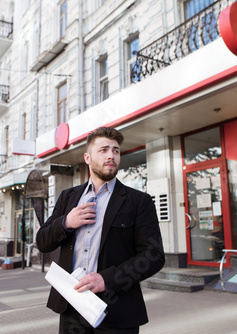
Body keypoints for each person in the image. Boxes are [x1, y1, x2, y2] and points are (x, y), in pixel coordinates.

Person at [36, 127, 165, 333]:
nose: (111, 156)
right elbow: (42, 242)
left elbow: (154, 255)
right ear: (87, 157)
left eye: (115, 151)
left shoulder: (138, 201)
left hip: (117, 309)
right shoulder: (68, 198)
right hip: (71, 306)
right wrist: (66, 222)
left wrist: (107, 279)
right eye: (104, 150)